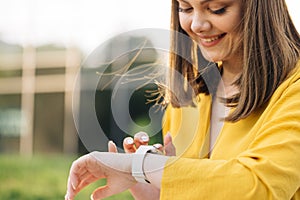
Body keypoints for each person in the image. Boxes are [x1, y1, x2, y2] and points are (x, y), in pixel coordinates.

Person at [65, 0, 300, 199]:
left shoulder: (294, 89)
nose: (197, 25)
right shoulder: (189, 98)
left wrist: (142, 166)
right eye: (186, 8)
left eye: (217, 8)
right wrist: (154, 188)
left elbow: (256, 186)